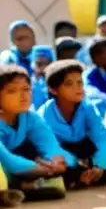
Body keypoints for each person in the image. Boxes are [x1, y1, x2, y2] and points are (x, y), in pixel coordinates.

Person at [39, 61, 106, 188]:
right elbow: (50, 147)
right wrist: (75, 163)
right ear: (53, 90)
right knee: (49, 162)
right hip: (63, 155)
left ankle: (90, 174)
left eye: (80, 82)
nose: (78, 88)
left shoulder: (87, 106)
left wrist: (99, 165)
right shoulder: (44, 114)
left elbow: (101, 135)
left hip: (84, 152)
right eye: (69, 84)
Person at [0, 64, 68, 199]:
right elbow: (7, 160)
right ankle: (20, 187)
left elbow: (48, 143)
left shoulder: (29, 116)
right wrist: (40, 169)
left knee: (55, 165)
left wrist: (55, 162)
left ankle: (24, 187)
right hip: (6, 165)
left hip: (20, 166)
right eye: (12, 91)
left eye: (26, 89)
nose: (23, 96)